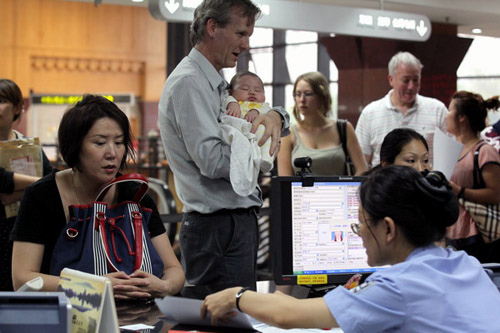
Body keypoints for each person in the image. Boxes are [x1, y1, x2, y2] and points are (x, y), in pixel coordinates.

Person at [201, 166, 500, 332]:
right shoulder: (465, 264)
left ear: (388, 229)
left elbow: (288, 315)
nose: (357, 235)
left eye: (361, 224)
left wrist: (235, 296)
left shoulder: (396, 286)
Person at [158, 0, 289, 298]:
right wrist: (257, 153)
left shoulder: (217, 82)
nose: (246, 45)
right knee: (224, 321)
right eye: (241, 34)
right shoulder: (190, 82)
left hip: (230, 224)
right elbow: (213, 160)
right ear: (212, 27)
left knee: (235, 316)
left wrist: (275, 116)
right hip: (217, 227)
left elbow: (259, 125)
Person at [10, 95, 185, 299]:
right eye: (100, 143)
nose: (112, 153)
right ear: (74, 146)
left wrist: (164, 287)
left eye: (119, 142)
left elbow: (174, 270)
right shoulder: (42, 196)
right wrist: (94, 285)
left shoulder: (136, 196)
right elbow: (23, 279)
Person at [0, 79, 52, 291]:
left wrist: (14, 194)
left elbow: (50, 181)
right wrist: (36, 186)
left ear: (17, 108)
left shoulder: (29, 146)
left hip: (23, 232)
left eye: (2, 101)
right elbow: (2, 178)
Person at [355, 51, 447, 167]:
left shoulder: (437, 110)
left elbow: (449, 157)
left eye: (416, 80)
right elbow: (361, 162)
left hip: (425, 183)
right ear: (391, 79)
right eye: (406, 80)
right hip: (385, 183)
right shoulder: (370, 113)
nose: (411, 86)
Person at [445, 91, 500, 262]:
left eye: (450, 110)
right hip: (454, 232)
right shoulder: (453, 150)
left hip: (477, 234)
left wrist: (459, 191)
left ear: (462, 117)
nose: (446, 115)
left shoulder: (484, 152)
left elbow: (496, 194)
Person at [278, 71, 367, 176]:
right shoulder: (288, 134)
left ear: (322, 96)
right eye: (297, 94)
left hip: (339, 191)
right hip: (301, 192)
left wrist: (349, 190)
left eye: (308, 94)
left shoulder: (344, 128)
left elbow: (362, 169)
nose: (302, 100)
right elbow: (284, 180)